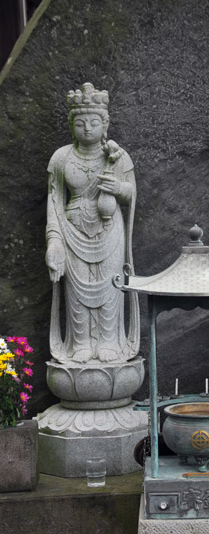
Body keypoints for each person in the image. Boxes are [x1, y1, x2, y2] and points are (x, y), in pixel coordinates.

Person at [45, 83, 140, 363]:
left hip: (109, 229)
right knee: (76, 290)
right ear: (71, 124)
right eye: (81, 123)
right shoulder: (61, 158)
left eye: (94, 122)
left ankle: (110, 342)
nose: (88, 129)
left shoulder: (118, 157)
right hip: (71, 227)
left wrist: (118, 188)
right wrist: (53, 241)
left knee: (110, 286)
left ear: (105, 124)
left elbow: (132, 194)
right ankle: (80, 343)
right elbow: (53, 201)